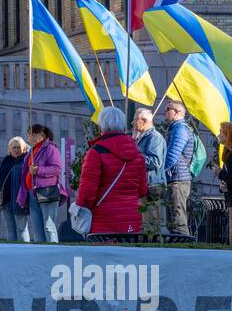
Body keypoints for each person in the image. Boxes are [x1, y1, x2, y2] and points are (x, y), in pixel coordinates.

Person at [75, 106, 148, 236]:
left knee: (103, 255)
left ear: (102, 126)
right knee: (129, 254)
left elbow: (87, 192)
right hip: (131, 217)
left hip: (103, 219)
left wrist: (80, 208)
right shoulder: (137, 153)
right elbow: (142, 190)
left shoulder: (96, 152)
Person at [19, 123, 64, 243]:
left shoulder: (50, 149)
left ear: (39, 135)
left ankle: (53, 252)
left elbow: (57, 169)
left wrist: (39, 170)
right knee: (37, 228)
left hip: (46, 192)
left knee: (48, 226)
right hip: (32, 193)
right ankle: (41, 255)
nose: (28, 137)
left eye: (30, 134)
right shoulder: (31, 151)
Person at [162, 99, 195, 236]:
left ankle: (184, 251)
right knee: (173, 221)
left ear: (177, 113)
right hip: (176, 178)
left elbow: (172, 155)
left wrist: (160, 172)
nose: (164, 112)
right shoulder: (176, 128)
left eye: (167, 109)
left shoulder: (180, 129)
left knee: (178, 221)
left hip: (178, 180)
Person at [132, 107, 166, 236]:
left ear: (144, 121)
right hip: (145, 184)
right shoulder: (142, 137)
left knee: (151, 223)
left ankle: (154, 247)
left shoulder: (154, 138)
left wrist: (135, 155)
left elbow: (155, 162)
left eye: (135, 119)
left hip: (153, 186)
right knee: (144, 222)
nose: (133, 123)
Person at [0, 137, 28, 242]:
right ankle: (12, 255)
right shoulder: (3, 161)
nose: (16, 150)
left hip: (19, 201)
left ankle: (25, 253)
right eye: (14, 147)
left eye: (19, 147)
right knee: (10, 230)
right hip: (5, 201)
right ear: (10, 149)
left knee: (21, 229)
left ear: (24, 148)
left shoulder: (25, 161)